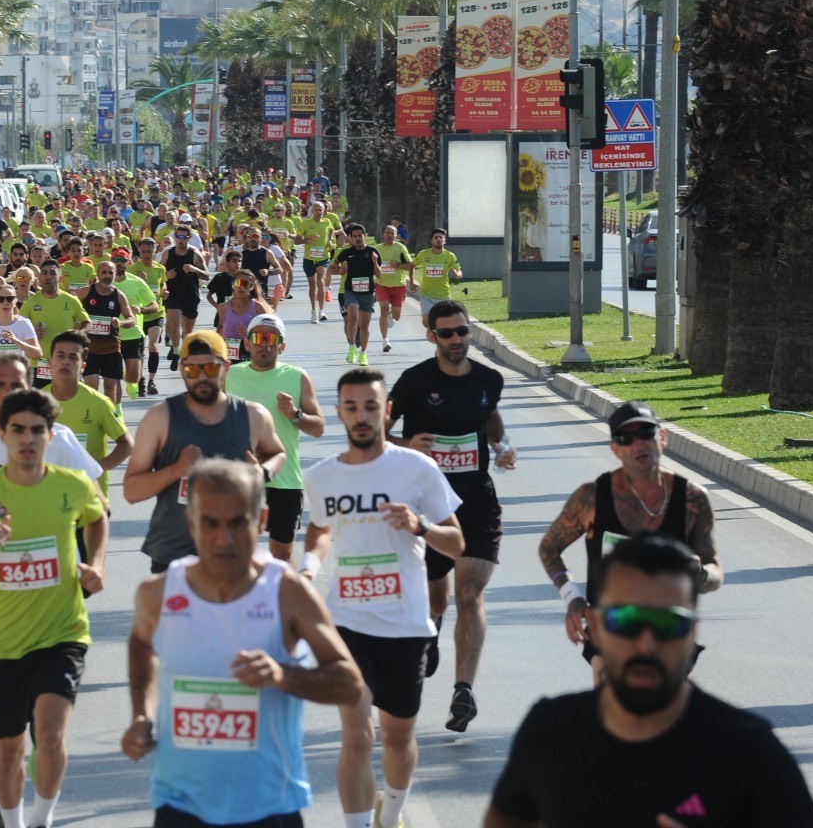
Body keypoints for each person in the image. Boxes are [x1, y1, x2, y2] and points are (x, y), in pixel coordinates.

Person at [484, 536, 813, 828]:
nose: (646, 645)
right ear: (596, 628)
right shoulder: (550, 731)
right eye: (627, 621)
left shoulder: (749, 754)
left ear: (692, 632)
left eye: (667, 624)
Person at [122, 459, 363, 828]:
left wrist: (283, 675)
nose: (224, 538)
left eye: (238, 522)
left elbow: (349, 683)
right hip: (180, 804)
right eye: (211, 523)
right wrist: (143, 713)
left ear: (261, 520)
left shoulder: (286, 592)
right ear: (191, 522)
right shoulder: (159, 594)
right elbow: (141, 644)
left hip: (269, 807)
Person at [0, 389, 109, 828]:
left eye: (37, 430)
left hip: (64, 631)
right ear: (2, 433)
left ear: (51, 436)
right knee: (9, 746)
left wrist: (97, 563)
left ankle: (42, 819)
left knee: (49, 734)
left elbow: (97, 516)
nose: (27, 438)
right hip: (4, 640)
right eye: (18, 430)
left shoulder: (72, 485)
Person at [301, 367, 465, 828]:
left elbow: (456, 543)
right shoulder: (322, 478)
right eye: (351, 407)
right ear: (339, 413)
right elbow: (318, 531)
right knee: (356, 736)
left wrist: (420, 525)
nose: (361, 416)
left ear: (387, 412)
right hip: (347, 621)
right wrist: (310, 565)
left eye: (371, 406)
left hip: (406, 623)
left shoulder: (417, 469)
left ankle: (389, 813)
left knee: (396, 739)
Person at [386, 299, 516, 733]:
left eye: (462, 331)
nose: (456, 340)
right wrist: (407, 445)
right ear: (432, 336)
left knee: (470, 593)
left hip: (477, 500)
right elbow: (375, 429)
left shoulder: (489, 379)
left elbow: (489, 417)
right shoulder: (413, 381)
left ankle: (464, 690)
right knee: (437, 597)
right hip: (427, 503)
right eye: (446, 333)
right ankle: (432, 629)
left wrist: (500, 446)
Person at [538, 401, 723, 681]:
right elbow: (549, 548)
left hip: (668, 629)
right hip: (611, 627)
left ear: (662, 438)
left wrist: (700, 573)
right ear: (615, 449)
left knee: (663, 716)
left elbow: (716, 573)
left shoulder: (692, 499)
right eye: (626, 438)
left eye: (647, 434)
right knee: (614, 706)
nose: (639, 444)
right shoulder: (591, 499)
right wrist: (573, 599)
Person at [0, 352, 100, 646]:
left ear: (29, 390)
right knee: (0, 675)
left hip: (49, 579)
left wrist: (94, 563)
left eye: (16, 385)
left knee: (44, 674)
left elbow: (97, 506)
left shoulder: (57, 438)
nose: (7, 393)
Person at [125, 330, 287, 573]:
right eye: (192, 369)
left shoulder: (253, 416)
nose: (201, 377)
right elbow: (131, 491)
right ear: (181, 369)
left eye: (211, 368)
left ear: (226, 368)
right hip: (174, 555)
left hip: (234, 552)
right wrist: (175, 471)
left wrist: (261, 473)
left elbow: (278, 453)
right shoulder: (160, 418)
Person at [226, 315, 324, 563]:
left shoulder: (297, 376)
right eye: (258, 338)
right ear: (247, 344)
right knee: (234, 552)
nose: (265, 344)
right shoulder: (228, 375)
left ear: (282, 345)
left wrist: (294, 414)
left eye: (272, 339)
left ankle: (280, 600)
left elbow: (318, 428)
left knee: (281, 555)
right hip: (238, 478)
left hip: (284, 479)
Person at [44, 331, 132, 505]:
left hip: (90, 498)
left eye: (73, 357)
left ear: (82, 366)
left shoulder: (99, 403)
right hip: (48, 498)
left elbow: (127, 444)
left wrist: (97, 469)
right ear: (50, 362)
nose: (65, 362)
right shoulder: (35, 402)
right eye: (60, 355)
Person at [74, 259, 138, 404]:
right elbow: (72, 312)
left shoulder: (118, 295)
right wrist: (77, 325)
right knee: (92, 384)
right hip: (89, 349)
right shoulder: (85, 292)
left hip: (111, 349)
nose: (107, 276)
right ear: (98, 274)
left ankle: (112, 414)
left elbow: (131, 319)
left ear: (115, 275)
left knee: (110, 387)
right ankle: (93, 415)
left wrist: (120, 323)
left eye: (110, 272)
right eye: (103, 272)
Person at [20, 259, 89, 389]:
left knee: (66, 404)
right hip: (38, 364)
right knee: (40, 406)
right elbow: (18, 329)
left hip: (64, 363)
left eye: (52, 273)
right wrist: (31, 332)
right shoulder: (30, 303)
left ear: (60, 278)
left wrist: (77, 335)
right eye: (44, 273)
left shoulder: (71, 300)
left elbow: (87, 323)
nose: (48, 277)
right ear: (40, 277)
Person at [111, 251, 161, 397]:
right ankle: (116, 408)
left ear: (128, 262)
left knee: (132, 374)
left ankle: (132, 380)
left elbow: (154, 305)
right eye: (116, 260)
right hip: (111, 335)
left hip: (133, 333)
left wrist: (142, 309)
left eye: (122, 260)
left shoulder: (137, 282)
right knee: (113, 376)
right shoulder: (105, 282)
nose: (119, 263)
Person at [160, 225, 209, 370]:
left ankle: (185, 354)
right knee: (174, 324)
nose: (180, 240)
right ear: (175, 237)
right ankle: (176, 351)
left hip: (190, 295)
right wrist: (165, 276)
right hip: (173, 294)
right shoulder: (167, 253)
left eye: (183, 237)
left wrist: (195, 269)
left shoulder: (194, 254)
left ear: (188, 238)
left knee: (187, 332)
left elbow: (206, 275)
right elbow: (158, 273)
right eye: (178, 237)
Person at [333, 225, 382, 365]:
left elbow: (379, 275)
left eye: (359, 235)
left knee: (364, 326)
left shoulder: (373, 252)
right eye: (354, 236)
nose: (357, 238)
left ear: (364, 236)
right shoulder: (346, 253)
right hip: (351, 291)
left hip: (367, 292)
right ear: (350, 238)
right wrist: (340, 269)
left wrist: (374, 263)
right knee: (352, 319)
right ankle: (352, 347)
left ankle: (363, 353)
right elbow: (332, 269)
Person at [0, 282, 43, 365]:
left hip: (16, 373)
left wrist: (16, 341)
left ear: (15, 301)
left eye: (10, 299)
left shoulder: (24, 323)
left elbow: (38, 354)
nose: (5, 303)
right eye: (1, 299)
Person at [373, 226, 414, 354]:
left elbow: (410, 266)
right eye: (387, 232)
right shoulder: (377, 249)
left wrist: (398, 265)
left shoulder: (400, 248)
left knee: (396, 317)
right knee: (383, 310)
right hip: (381, 284)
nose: (389, 235)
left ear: (396, 236)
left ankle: (392, 314)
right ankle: (385, 340)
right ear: (383, 234)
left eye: (392, 233)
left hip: (398, 285)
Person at [298, 203, 339, 325]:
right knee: (312, 285)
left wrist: (330, 240)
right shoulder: (305, 223)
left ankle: (322, 311)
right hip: (309, 258)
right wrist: (308, 240)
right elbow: (296, 240)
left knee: (320, 281)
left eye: (320, 209)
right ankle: (313, 311)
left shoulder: (327, 222)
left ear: (323, 210)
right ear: (312, 211)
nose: (318, 212)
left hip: (323, 257)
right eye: (316, 210)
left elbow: (331, 231)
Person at [218, 275, 272, 364]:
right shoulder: (222, 308)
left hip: (250, 354)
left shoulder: (258, 308)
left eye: (246, 284)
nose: (242, 287)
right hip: (228, 355)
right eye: (238, 283)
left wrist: (249, 334)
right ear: (233, 285)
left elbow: (268, 334)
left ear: (251, 287)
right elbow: (220, 329)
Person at [411, 228, 463, 319]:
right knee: (427, 321)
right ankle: (430, 332)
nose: (438, 239)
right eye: (436, 237)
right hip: (426, 295)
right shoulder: (424, 254)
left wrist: (457, 274)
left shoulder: (450, 256)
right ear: (432, 241)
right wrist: (411, 282)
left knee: (443, 322)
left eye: (441, 237)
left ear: (444, 241)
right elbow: (412, 265)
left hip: (443, 295)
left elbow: (459, 271)